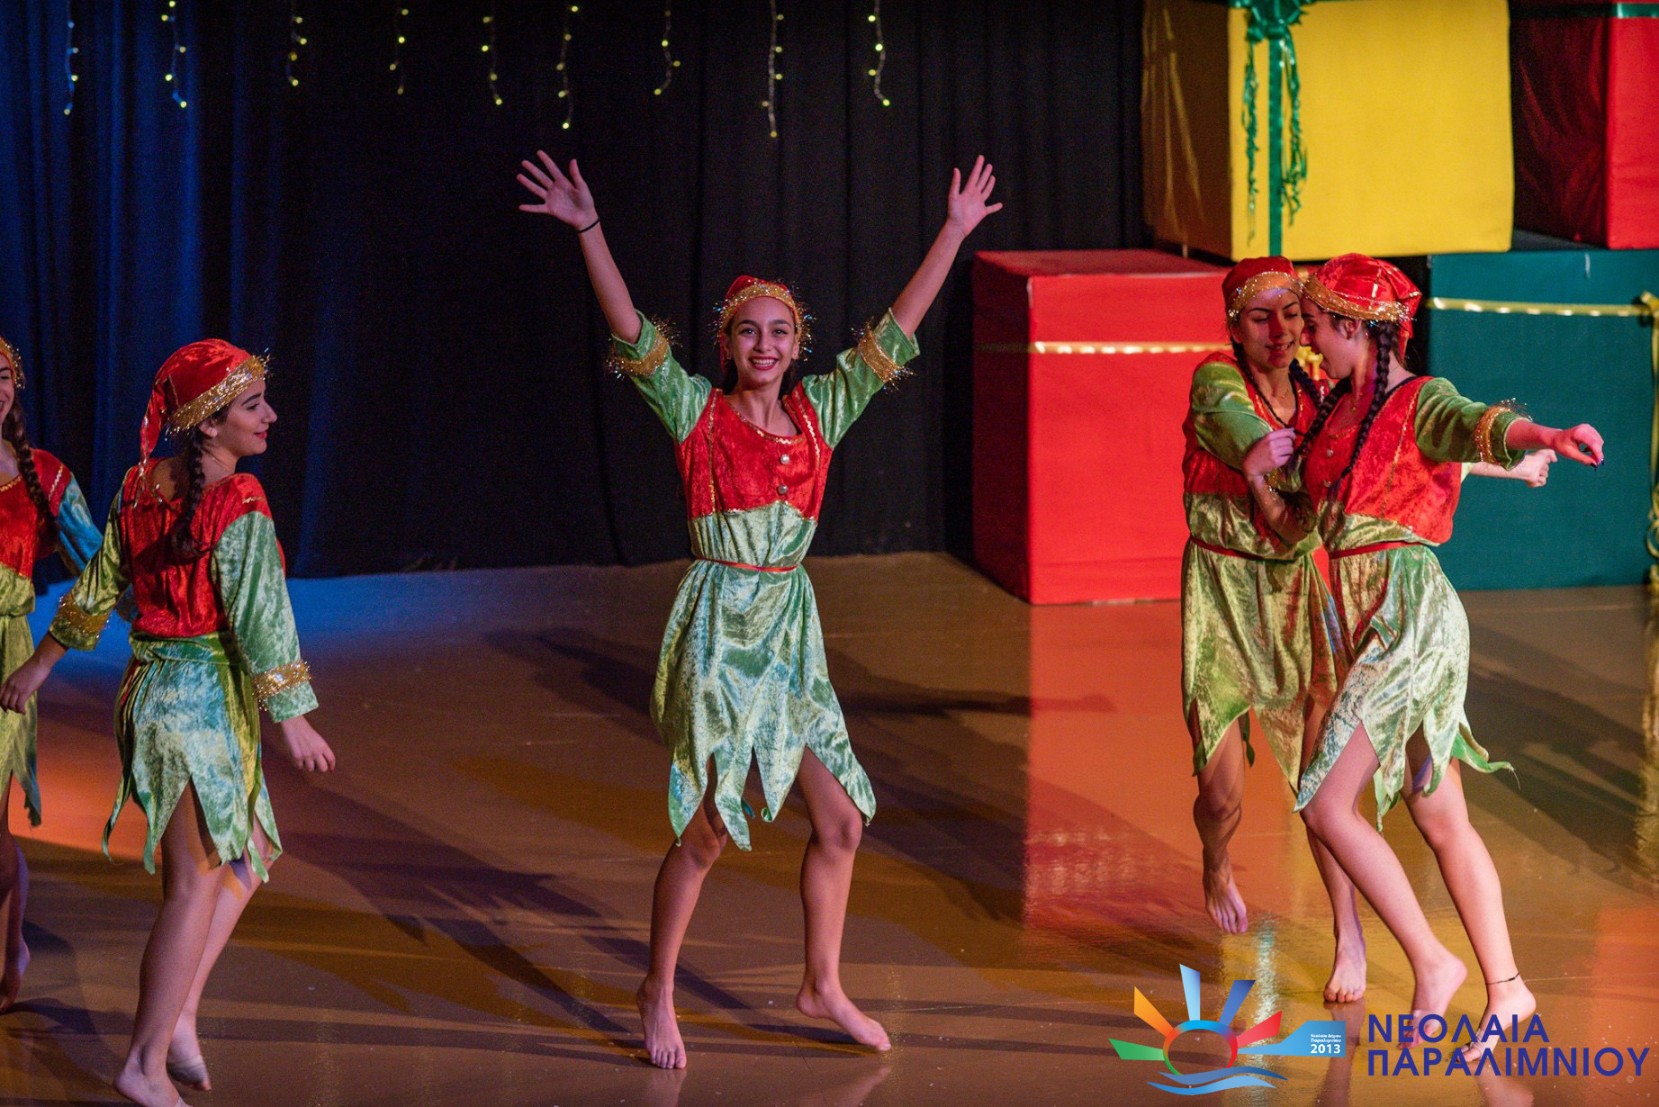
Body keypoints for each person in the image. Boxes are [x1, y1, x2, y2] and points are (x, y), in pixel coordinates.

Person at [516, 150, 1000, 1068]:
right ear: (727, 344)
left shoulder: (822, 414)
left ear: (797, 344)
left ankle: (821, 983)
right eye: (749, 332)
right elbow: (630, 332)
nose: (766, 345)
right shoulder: (696, 415)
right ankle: (657, 987)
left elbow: (894, 333)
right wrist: (589, 228)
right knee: (709, 826)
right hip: (719, 631)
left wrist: (953, 230)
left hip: (789, 631)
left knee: (842, 821)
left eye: (780, 331)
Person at [1244, 254, 1602, 1053]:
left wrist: (1543, 436)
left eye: (1315, 327)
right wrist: (1257, 475)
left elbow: (1478, 424)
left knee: (1325, 802)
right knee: (1437, 812)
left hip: (1409, 615)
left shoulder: (1417, 398)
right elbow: (1299, 523)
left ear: (1353, 327)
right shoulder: (1336, 417)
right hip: (1368, 619)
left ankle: (1433, 961)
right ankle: (1506, 988)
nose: (1306, 341)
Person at [0, 340, 336, 1106]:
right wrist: (293, 715)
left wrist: (42, 664)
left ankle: (179, 1015)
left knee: (249, 851)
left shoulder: (138, 485)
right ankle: (145, 1061)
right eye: (252, 405)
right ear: (209, 423)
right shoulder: (238, 500)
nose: (270, 416)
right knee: (192, 886)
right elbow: (261, 616)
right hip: (196, 703)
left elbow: (96, 589)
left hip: (160, 693)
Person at [1180, 257, 1368, 1001]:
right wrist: (1260, 457)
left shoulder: (1320, 395)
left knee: (1322, 781)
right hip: (1222, 594)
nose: (1281, 331)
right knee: (1222, 796)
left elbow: (1371, 447)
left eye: (1292, 315)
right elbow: (1240, 433)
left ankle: (1348, 935)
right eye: (1262, 318)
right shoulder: (1215, 379)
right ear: (1236, 326)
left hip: (1294, 597)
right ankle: (1215, 859)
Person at [0, 334, 105, 1011]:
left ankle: (8, 947)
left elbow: (103, 570)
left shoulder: (44, 475)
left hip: (4, 663)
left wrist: (44, 660)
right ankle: (12, 943)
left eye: (2, 375)